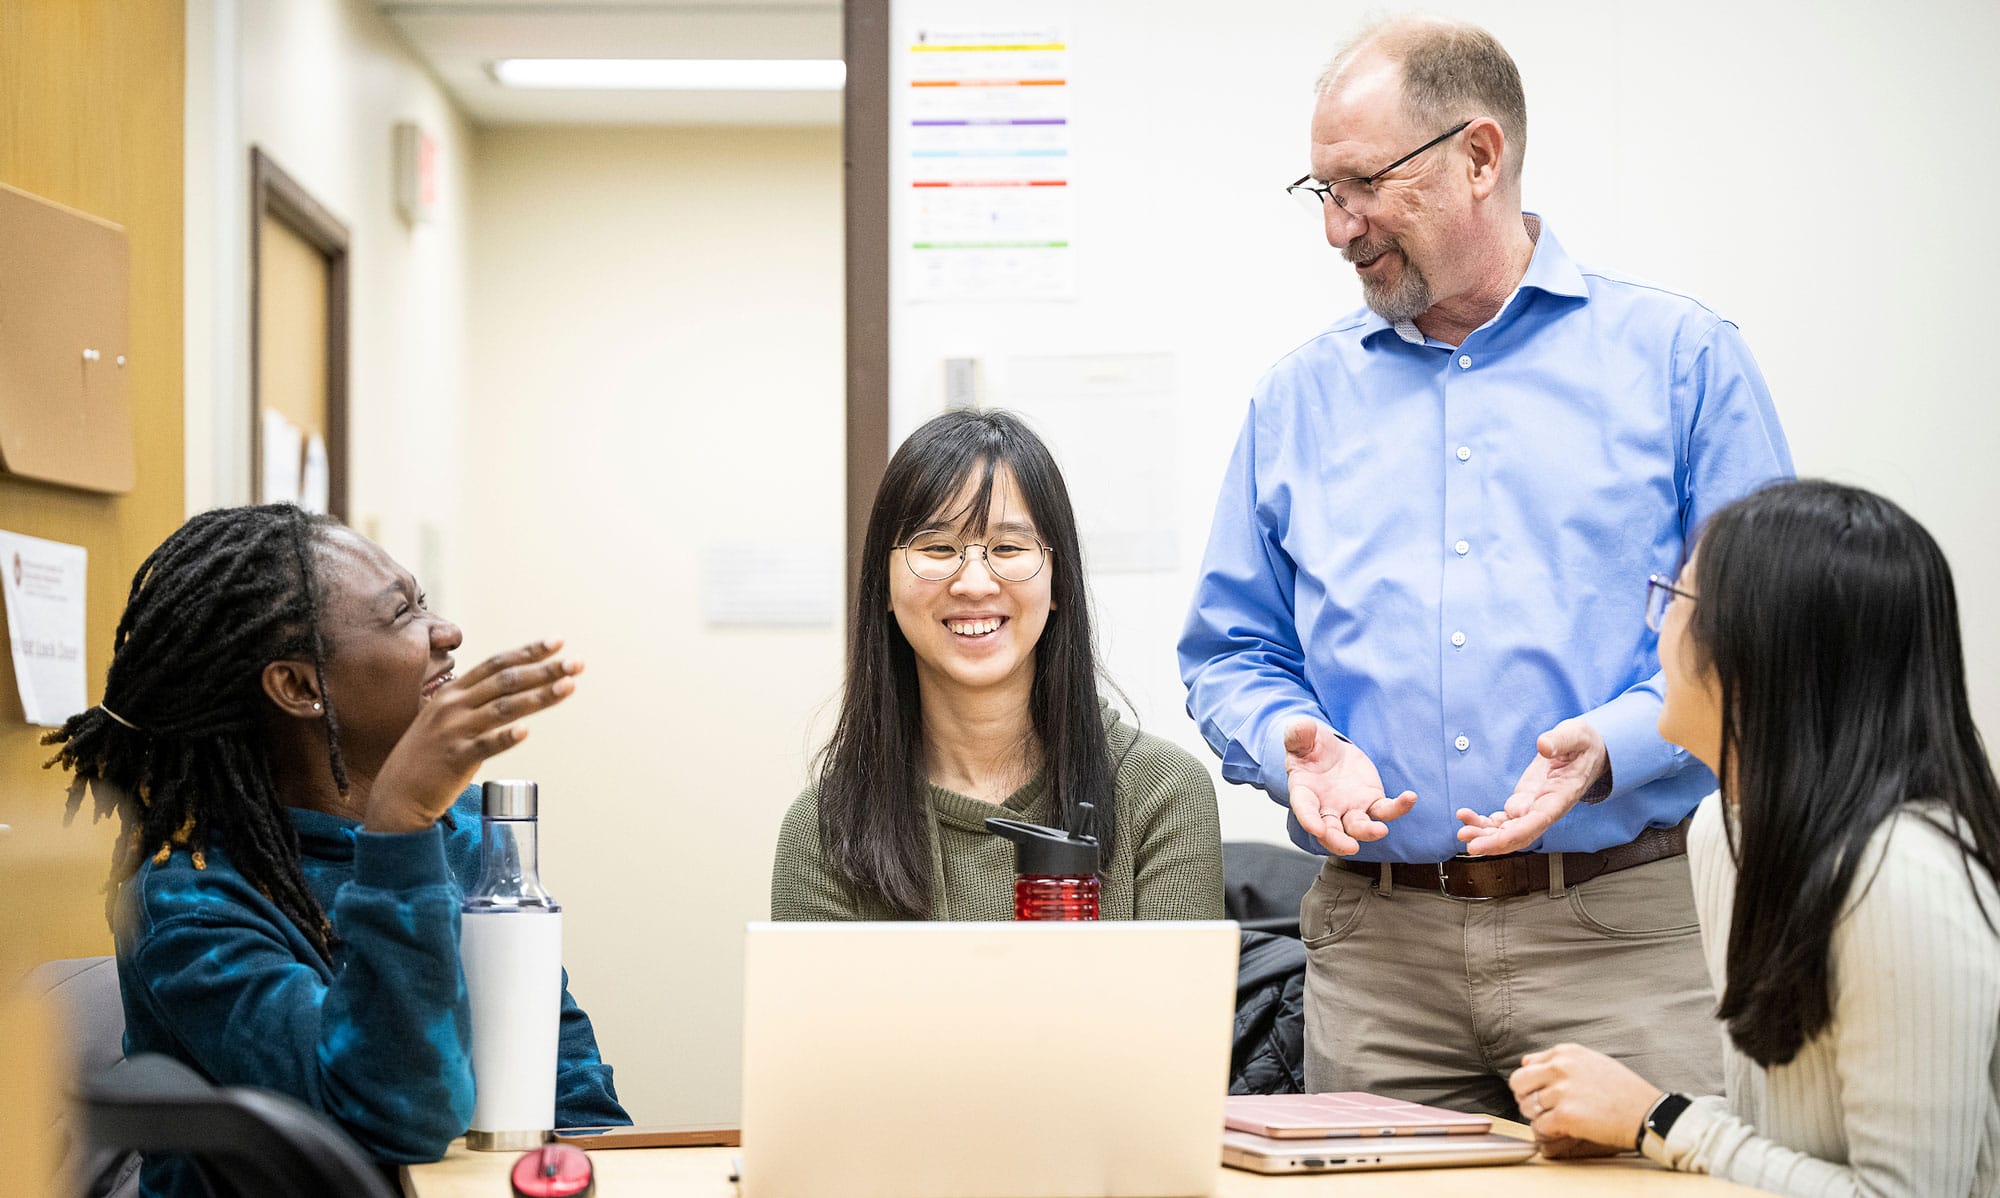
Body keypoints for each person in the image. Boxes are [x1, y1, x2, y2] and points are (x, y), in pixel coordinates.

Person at [1177, 16, 1793, 1116]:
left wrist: (1609, 746)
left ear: (1477, 156)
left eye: (1361, 185)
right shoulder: (1296, 400)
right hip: (1375, 955)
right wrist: (1288, 745)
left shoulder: (1680, 364)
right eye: (1317, 191)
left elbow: (1766, 642)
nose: (1336, 228)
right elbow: (1231, 651)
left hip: (1623, 936)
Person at [46, 504, 629, 1198]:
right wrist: (398, 831)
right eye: (402, 614)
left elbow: (568, 1084)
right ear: (299, 686)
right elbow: (393, 1122)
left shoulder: (466, 830)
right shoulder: (187, 902)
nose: (448, 631)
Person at [1508, 480, 2000, 1195]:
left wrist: (1657, 1119)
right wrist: (1626, 1119)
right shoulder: (1725, 828)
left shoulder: (1902, 871)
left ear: (1759, 648)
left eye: (1676, 601)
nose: (1659, 632)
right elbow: (1786, 1135)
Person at [773, 408, 1223, 920]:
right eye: (938, 547)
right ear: (886, 585)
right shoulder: (826, 830)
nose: (974, 583)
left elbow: (1173, 1003)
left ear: (1059, 582)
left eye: (1008, 547)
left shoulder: (1162, 793)